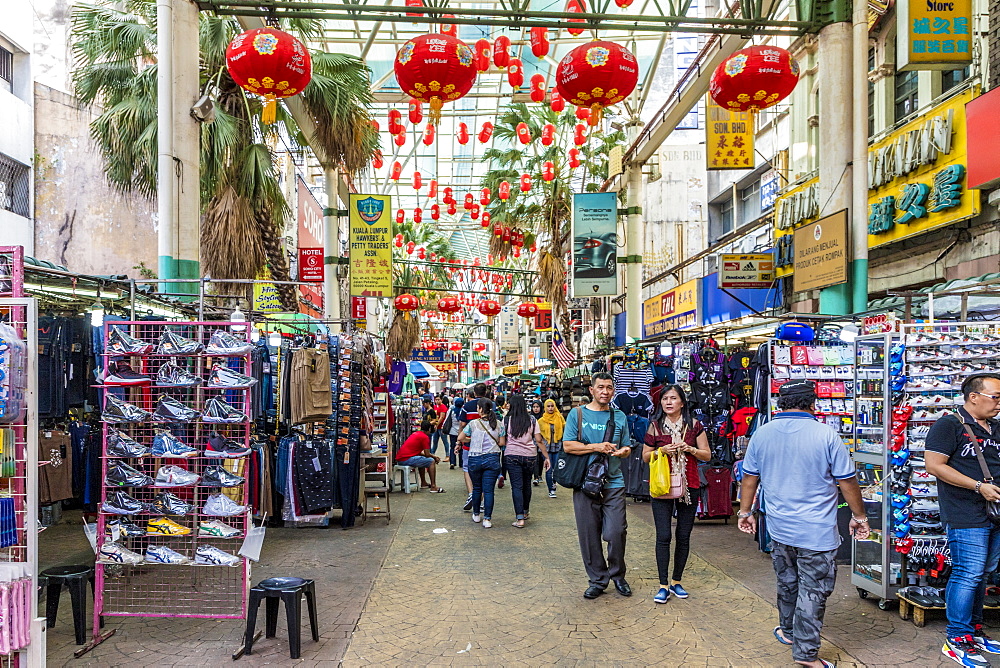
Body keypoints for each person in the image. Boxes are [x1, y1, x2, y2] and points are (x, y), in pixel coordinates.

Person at [737, 380, 869, 668]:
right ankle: (806, 655)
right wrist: (859, 517)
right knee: (813, 590)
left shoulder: (762, 433)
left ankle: (787, 631)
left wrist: (744, 512)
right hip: (816, 531)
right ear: (812, 404)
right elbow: (846, 481)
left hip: (779, 527)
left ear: (780, 404)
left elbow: (749, 478)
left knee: (787, 582)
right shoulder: (826, 434)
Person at [925, 373, 1000, 667]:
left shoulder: (995, 428)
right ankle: (956, 639)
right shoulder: (948, 426)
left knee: (983, 573)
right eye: (995, 396)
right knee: (968, 573)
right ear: (974, 397)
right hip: (964, 512)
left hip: (994, 512)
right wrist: (978, 487)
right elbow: (934, 466)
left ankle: (973, 631)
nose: (998, 403)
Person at [563, 372, 632, 599]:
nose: (605, 392)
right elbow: (568, 446)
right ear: (591, 390)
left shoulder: (619, 416)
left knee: (616, 531)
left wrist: (622, 452)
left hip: (613, 482)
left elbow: (627, 447)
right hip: (584, 482)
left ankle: (618, 574)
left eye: (609, 388)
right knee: (589, 534)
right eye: (600, 387)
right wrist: (596, 447)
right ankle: (598, 580)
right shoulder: (578, 414)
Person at [642, 384, 712, 603]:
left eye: (673, 398)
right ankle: (663, 584)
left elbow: (707, 455)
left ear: (682, 402)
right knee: (663, 535)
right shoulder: (655, 426)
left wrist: (690, 449)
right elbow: (645, 456)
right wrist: (660, 450)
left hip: (689, 485)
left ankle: (676, 581)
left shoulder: (694, 426)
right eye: (664, 399)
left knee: (683, 535)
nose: (668, 402)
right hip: (662, 485)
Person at [457, 399, 505, 528]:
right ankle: (487, 519)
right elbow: (501, 443)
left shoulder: (473, 424)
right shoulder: (499, 424)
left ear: (480, 409)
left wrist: (471, 440)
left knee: (477, 488)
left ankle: (477, 514)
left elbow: (460, 438)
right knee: (489, 491)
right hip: (492, 459)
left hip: (475, 459)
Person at [504, 394, 549, 528]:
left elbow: (502, 438)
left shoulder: (507, 420)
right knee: (527, 484)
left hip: (512, 455)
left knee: (516, 486)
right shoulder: (532, 420)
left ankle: (519, 519)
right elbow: (539, 440)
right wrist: (547, 457)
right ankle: (525, 512)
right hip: (530, 455)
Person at [457, 384, 490, 511]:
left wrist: (459, 441)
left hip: (469, 443)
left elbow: (462, 423)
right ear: (486, 392)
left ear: (474, 393)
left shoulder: (467, 406)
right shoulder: (490, 405)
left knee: (467, 468)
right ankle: (480, 500)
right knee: (483, 471)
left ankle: (471, 494)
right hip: (487, 445)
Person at [395, 418, 445, 493]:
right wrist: (434, 458)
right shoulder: (424, 437)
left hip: (401, 459)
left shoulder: (416, 434)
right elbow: (427, 454)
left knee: (422, 459)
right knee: (431, 461)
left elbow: (420, 453)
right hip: (406, 459)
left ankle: (423, 482)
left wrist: (434, 456)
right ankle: (433, 486)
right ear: (428, 429)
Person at [538, 399, 565, 498]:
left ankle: (554, 484)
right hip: (546, 449)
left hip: (558, 447)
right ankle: (551, 489)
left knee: (557, 469)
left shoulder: (560, 418)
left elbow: (565, 432)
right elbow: (538, 437)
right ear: (545, 407)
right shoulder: (541, 421)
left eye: (552, 406)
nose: (550, 408)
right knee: (549, 469)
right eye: (548, 406)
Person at [494, 394, 509, 489]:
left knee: (496, 457)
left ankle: (499, 474)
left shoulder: (494, 412)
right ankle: (504, 474)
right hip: (505, 438)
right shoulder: (506, 412)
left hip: (496, 438)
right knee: (504, 457)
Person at [446, 397, 465, 469]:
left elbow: (447, 419)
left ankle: (452, 462)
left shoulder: (451, 411)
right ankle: (461, 462)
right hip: (462, 432)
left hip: (452, 431)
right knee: (461, 447)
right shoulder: (463, 411)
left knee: (452, 447)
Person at [530, 400, 545, 486]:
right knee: (536, 459)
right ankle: (536, 477)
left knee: (541, 458)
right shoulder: (531, 418)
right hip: (533, 440)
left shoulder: (543, 417)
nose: (535, 409)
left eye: (537, 407)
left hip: (542, 440)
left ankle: (539, 475)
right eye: (534, 407)